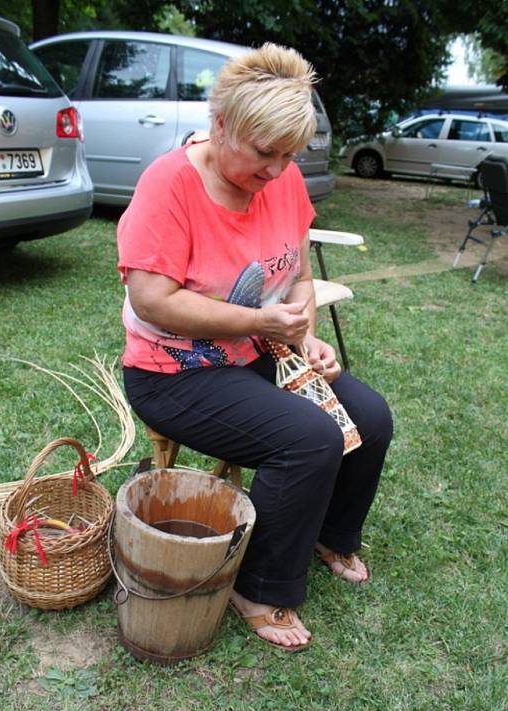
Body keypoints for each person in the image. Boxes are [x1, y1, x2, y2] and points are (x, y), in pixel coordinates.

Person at [118, 43, 392, 652]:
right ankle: (257, 584)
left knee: (370, 419)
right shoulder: (169, 185)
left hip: (259, 352)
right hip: (173, 372)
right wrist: (257, 322)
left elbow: (295, 271)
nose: (276, 170)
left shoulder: (284, 178)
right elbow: (152, 299)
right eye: (264, 153)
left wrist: (306, 333)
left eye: (289, 155)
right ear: (221, 126)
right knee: (308, 437)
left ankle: (327, 532)